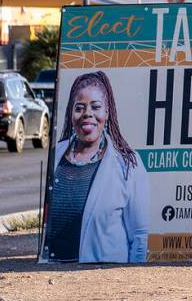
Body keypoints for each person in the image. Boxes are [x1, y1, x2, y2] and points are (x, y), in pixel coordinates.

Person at [42, 71, 149, 263]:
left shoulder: (127, 164)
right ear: (71, 113)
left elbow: (139, 235)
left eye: (96, 107)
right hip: (53, 273)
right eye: (79, 108)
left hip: (104, 278)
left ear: (107, 112)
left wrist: (132, 279)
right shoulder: (56, 155)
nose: (87, 114)